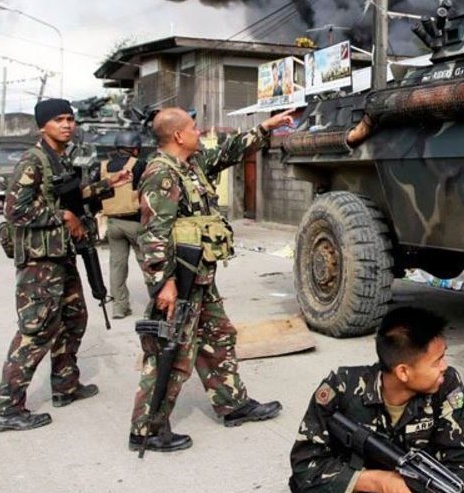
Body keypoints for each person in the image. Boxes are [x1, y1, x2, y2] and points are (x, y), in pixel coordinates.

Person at [128, 107, 290, 452]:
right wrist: (163, 284)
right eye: (193, 127)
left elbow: (229, 152)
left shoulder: (191, 166)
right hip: (180, 281)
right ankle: (146, 429)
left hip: (200, 275)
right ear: (177, 136)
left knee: (219, 337)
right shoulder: (161, 173)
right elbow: (153, 234)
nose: (199, 131)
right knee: (171, 352)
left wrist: (264, 128)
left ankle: (233, 404)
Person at [273, 306, 464, 493]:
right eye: (437, 361)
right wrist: (376, 481)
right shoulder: (341, 389)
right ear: (403, 372)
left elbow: (459, 461)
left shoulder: (446, 386)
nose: (444, 367)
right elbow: (305, 465)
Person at [0, 98, 131, 432]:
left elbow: (68, 196)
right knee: (36, 330)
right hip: (40, 262)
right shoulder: (33, 161)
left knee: (74, 319)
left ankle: (65, 385)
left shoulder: (58, 159)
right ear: (43, 125)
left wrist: (108, 185)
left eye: (70, 119)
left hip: (61, 255)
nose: (67, 125)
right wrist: (63, 215)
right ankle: (7, 406)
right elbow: (15, 211)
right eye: (59, 119)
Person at [93, 130, 147, 319]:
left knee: (117, 266)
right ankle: (158, 304)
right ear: (135, 149)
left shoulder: (103, 166)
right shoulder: (139, 165)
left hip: (113, 223)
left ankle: (119, 307)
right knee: (148, 264)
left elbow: (94, 194)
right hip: (136, 223)